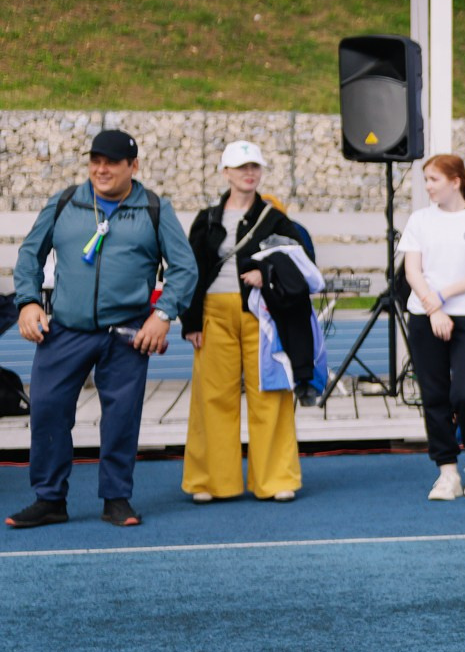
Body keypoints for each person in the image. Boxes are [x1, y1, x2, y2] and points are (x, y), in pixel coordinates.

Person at [7, 128, 197, 530]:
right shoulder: (64, 202)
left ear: (133, 166)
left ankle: (116, 498)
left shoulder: (154, 209)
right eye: (95, 161)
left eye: (112, 162)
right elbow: (29, 255)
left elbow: (184, 268)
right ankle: (49, 499)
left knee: (121, 417)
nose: (101, 169)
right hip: (65, 330)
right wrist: (27, 302)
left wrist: (162, 315)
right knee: (47, 409)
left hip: (127, 333)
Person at [180, 141, 307, 505]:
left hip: (263, 315)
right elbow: (192, 270)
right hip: (213, 313)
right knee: (212, 396)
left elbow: (298, 262)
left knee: (271, 393)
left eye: (254, 167)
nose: (249, 173)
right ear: (226, 173)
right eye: (241, 167)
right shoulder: (206, 219)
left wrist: (265, 273)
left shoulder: (275, 219)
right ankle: (210, 480)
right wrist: (191, 321)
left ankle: (276, 478)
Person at [400, 153, 465, 501]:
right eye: (426, 180)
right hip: (425, 316)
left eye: (434, 180)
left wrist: (442, 297)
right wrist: (433, 308)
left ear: (455, 181)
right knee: (434, 395)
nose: (428, 186)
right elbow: (412, 270)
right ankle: (447, 471)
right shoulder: (419, 220)